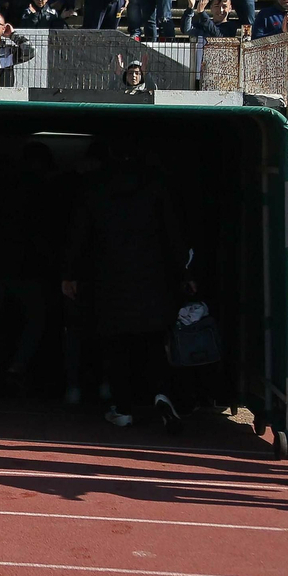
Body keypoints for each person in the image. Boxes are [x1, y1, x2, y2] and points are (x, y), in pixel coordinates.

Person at [62, 138, 189, 429]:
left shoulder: (94, 187)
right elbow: (174, 234)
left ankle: (123, 407)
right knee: (155, 343)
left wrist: (69, 273)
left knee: (117, 346)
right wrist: (185, 273)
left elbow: (79, 235)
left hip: (108, 278)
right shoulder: (157, 185)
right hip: (153, 277)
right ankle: (160, 392)